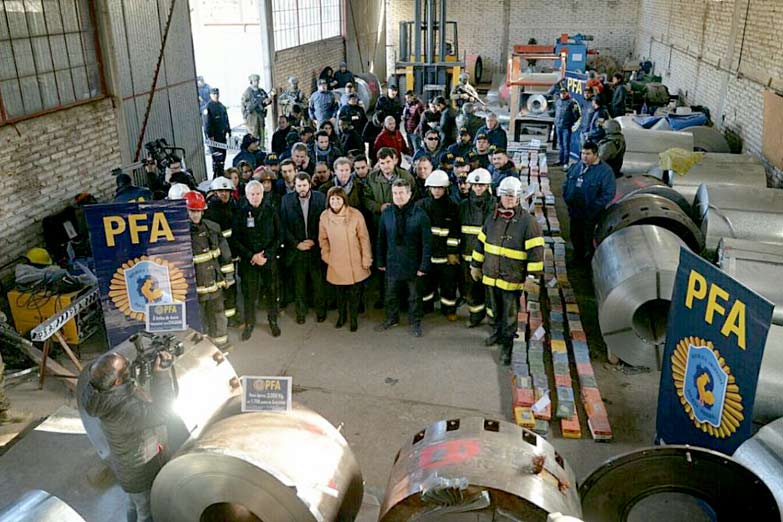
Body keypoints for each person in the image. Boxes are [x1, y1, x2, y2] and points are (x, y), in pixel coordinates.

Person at [80, 350, 175, 522]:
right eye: (126, 369)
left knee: (133, 504)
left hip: (125, 467)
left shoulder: (96, 391)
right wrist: (161, 375)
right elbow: (163, 412)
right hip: (139, 472)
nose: (129, 368)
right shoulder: (125, 410)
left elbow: (124, 387)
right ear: (117, 382)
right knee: (146, 513)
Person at [471, 176, 544, 365]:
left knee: (509, 316)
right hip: (491, 276)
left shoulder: (528, 222)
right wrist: (475, 265)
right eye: (506, 195)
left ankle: (507, 347)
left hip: (512, 280)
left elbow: (536, 253)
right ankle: (496, 333)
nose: (509, 199)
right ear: (500, 196)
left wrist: (532, 277)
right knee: (493, 310)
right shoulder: (492, 218)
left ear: (518, 197)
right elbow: (481, 243)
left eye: (512, 196)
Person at [375, 179, 432, 337]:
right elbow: (381, 239)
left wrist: (424, 265)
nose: (398, 196)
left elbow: (427, 243)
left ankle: (415, 323)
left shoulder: (420, 215)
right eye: (395, 193)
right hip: (392, 262)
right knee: (391, 294)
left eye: (401, 193)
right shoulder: (387, 214)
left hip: (413, 264)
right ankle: (392, 318)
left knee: (414, 297)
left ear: (409, 194)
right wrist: (380, 260)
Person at [231, 180, 281, 340]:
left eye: (258, 193)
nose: (255, 197)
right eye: (252, 194)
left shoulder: (271, 211)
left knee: (272, 291)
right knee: (249, 294)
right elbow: (236, 239)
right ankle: (249, 324)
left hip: (268, 260)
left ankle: (273, 320)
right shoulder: (241, 213)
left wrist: (266, 255)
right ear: (246, 195)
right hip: (249, 262)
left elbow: (279, 235)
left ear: (262, 194)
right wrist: (251, 256)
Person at [319, 186, 372, 331]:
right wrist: (326, 256)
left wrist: (366, 258)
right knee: (339, 293)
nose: (335, 202)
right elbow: (323, 239)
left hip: (355, 261)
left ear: (344, 200)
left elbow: (364, 238)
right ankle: (341, 317)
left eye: (338, 198)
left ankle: (353, 319)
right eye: (332, 199)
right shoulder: (324, 217)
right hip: (336, 261)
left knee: (354, 293)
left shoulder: (355, 215)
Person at [185, 191, 233, 351]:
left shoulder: (213, 227)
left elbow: (225, 254)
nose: (195, 215)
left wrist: (228, 275)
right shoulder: (181, 234)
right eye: (192, 211)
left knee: (218, 314)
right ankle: (201, 351)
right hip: (195, 288)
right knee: (199, 319)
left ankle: (221, 344)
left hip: (214, 282)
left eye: (198, 211)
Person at [280, 173, 327, 324]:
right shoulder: (286, 200)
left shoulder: (321, 198)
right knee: (299, 284)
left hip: (315, 248)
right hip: (297, 250)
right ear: (294, 186)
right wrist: (296, 244)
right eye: (299, 186)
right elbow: (283, 226)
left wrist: (314, 241)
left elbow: (324, 222)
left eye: (304, 185)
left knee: (318, 283)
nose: (302, 188)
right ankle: (300, 313)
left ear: (310, 185)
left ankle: (321, 311)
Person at [562, 141, 617, 263]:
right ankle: (577, 257)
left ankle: (589, 261)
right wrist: (567, 197)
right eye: (582, 153)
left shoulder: (605, 172)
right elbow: (567, 182)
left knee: (588, 237)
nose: (584, 157)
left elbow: (609, 193)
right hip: (575, 210)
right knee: (575, 234)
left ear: (596, 154)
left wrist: (594, 206)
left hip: (591, 213)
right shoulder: (577, 166)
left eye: (588, 154)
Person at [417, 170, 460, 320]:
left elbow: (455, 232)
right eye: (434, 187)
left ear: (445, 188)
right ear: (429, 188)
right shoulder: (421, 205)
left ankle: (449, 309)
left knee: (448, 284)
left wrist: (452, 252)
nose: (436, 191)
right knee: (426, 283)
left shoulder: (452, 206)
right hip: (427, 253)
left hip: (445, 255)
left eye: (440, 188)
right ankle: (426, 307)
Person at [459, 167, 494, 327]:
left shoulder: (495, 206)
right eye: (475, 185)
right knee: (472, 289)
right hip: (468, 255)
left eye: (482, 185)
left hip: (490, 257)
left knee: (491, 291)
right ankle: (475, 316)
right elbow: (457, 230)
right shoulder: (463, 205)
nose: (478, 188)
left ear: (488, 186)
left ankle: (493, 320)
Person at [204, 176, 239, 325]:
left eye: (227, 191)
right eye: (220, 191)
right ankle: (224, 318)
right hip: (219, 256)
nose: (224, 194)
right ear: (214, 193)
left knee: (232, 284)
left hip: (233, 253)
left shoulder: (234, 206)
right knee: (223, 287)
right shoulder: (210, 212)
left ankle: (232, 315)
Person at [203, 87, 231, 177]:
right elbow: (207, 124)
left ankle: (221, 172)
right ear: (210, 95)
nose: (216, 96)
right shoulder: (208, 107)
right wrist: (210, 136)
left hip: (222, 136)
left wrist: (228, 130)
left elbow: (226, 119)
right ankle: (216, 174)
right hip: (214, 137)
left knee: (223, 156)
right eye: (214, 94)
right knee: (217, 157)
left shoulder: (221, 106)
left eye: (217, 94)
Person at [241, 74, 275, 144]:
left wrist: (267, 101)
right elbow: (243, 106)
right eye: (255, 81)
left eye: (258, 81)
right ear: (251, 82)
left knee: (262, 132)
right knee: (254, 134)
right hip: (252, 116)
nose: (257, 82)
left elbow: (267, 99)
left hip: (260, 115)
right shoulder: (247, 92)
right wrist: (245, 118)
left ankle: (262, 146)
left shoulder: (261, 91)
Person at [554, 88, 580, 166]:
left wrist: (570, 123)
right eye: (561, 93)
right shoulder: (558, 101)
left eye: (564, 93)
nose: (562, 94)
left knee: (566, 145)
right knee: (560, 144)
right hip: (558, 126)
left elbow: (576, 115)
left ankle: (566, 162)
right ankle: (560, 160)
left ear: (567, 93)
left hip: (566, 127)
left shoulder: (571, 103)